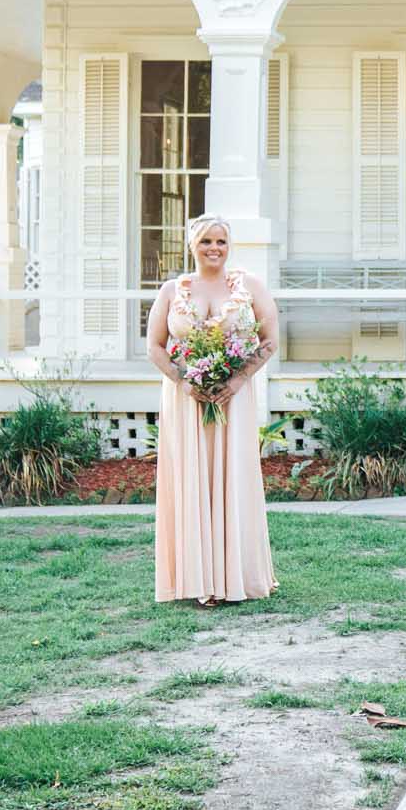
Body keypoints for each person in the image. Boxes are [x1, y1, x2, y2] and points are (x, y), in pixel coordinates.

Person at [144, 214, 279, 605]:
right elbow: (154, 345)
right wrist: (184, 379)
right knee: (192, 479)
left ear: (229, 245)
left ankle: (236, 578)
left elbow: (269, 340)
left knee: (232, 476)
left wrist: (236, 380)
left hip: (232, 400)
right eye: (205, 242)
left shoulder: (250, 286)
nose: (214, 248)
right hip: (186, 403)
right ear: (192, 246)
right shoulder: (172, 290)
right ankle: (199, 582)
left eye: (220, 241)